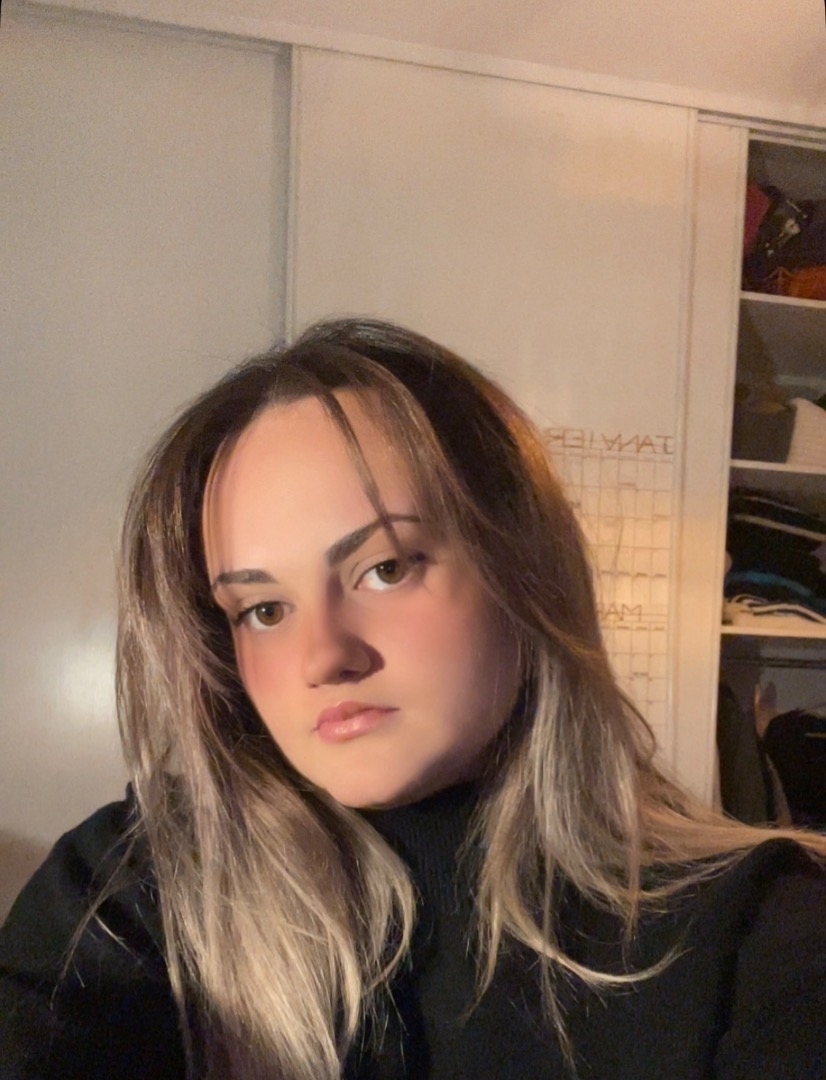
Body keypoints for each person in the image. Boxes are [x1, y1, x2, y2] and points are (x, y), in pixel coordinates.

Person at [1, 317, 825, 1080]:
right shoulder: (128, 893)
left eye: (385, 568)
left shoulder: (753, 934)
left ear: (523, 568)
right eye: (263, 609)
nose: (325, 656)